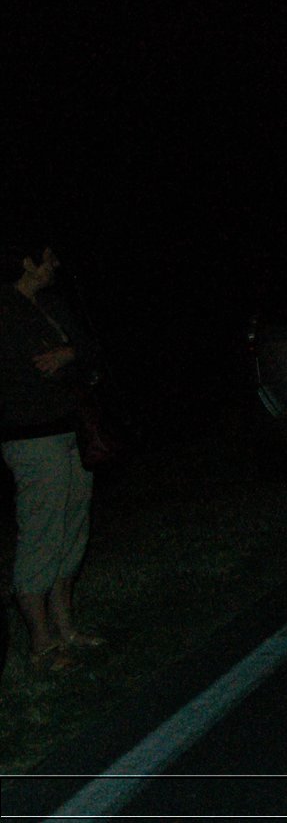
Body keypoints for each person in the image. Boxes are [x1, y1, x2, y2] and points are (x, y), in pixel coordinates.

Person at [1, 238, 107, 674]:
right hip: (30, 436)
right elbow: (33, 367)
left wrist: (74, 354)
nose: (55, 264)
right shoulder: (6, 310)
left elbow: (91, 350)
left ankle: (65, 627)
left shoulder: (51, 303)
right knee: (42, 531)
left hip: (73, 429)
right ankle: (40, 643)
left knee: (71, 526)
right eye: (47, 257)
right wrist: (69, 358)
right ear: (26, 261)